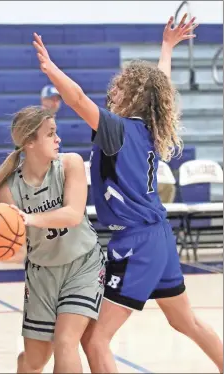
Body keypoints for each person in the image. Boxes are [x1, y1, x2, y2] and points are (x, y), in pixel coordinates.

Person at [32, 13, 223, 373]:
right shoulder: (147, 130)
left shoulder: (116, 129)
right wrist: (166, 47)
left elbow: (76, 98)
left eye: (120, 87)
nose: (112, 91)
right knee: (186, 322)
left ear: (135, 97)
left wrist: (51, 70)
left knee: (94, 339)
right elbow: (161, 82)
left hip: (136, 241)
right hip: (159, 236)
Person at [0, 106, 105, 373]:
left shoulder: (70, 164)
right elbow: (19, 250)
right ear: (29, 143)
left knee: (66, 342)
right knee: (34, 361)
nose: (58, 139)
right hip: (41, 275)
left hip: (83, 266)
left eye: (56, 133)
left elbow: (72, 214)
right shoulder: (8, 190)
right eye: (50, 134)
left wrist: (30, 218)